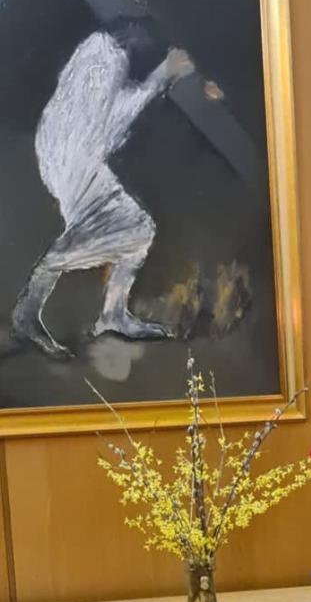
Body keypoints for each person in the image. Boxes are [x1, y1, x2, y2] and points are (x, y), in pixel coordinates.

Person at [11, 20, 195, 358]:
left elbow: (102, 118)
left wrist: (161, 77)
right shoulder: (109, 59)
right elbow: (111, 124)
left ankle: (113, 314)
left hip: (69, 152)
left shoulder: (100, 51)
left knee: (138, 229)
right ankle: (29, 310)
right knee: (109, 232)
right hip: (73, 156)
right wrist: (162, 76)